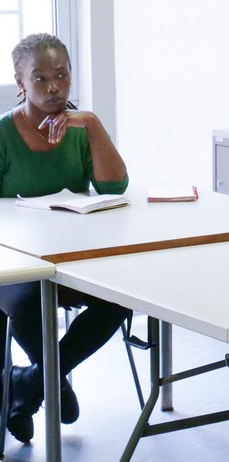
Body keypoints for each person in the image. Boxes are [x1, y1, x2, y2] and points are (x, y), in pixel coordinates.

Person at [0, 33, 130, 442]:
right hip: (16, 261)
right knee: (25, 305)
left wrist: (91, 123)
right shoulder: (4, 132)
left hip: (73, 256)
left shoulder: (80, 127)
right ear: (20, 82)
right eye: (40, 78)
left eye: (62, 75)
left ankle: (32, 383)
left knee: (119, 300)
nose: (54, 86)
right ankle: (52, 383)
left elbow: (114, 189)